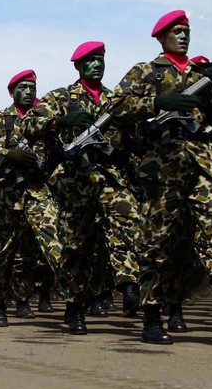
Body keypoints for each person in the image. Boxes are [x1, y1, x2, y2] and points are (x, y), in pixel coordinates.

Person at [109, 10, 212, 344]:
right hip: (163, 164)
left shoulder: (202, 72)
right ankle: (152, 314)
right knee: (161, 244)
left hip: (202, 158)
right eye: (177, 30)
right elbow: (115, 107)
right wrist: (156, 101)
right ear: (161, 37)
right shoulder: (147, 71)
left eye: (187, 30)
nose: (184, 35)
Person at [24, 43, 146, 334]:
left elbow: (137, 128)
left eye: (100, 60)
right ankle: (74, 306)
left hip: (110, 174)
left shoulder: (115, 99)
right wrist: (59, 121)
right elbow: (30, 122)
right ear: (78, 67)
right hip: (75, 179)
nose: (96, 65)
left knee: (128, 222)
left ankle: (129, 284)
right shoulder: (63, 97)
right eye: (90, 61)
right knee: (75, 246)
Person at [0, 69, 65, 326]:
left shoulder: (45, 120)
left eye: (32, 87)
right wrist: (5, 155)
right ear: (12, 92)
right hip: (6, 191)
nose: (29, 91)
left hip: (37, 188)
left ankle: (49, 297)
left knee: (51, 236)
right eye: (22, 87)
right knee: (5, 251)